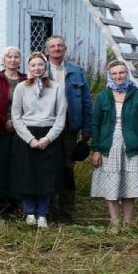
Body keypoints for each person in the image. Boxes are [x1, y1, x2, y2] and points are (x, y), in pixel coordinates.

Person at [91, 60, 138, 234]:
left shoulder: (137, 94)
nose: (118, 76)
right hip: (109, 145)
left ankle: (127, 224)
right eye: (114, 74)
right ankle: (114, 223)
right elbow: (95, 125)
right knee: (111, 184)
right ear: (110, 75)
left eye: (121, 72)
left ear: (127, 73)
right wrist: (96, 149)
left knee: (130, 185)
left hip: (132, 145)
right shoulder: (104, 95)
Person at [11, 53, 67, 228]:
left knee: (46, 177)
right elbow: (16, 116)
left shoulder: (57, 87)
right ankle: (29, 213)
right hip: (27, 135)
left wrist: (48, 138)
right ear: (28, 68)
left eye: (40, 65)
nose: (37, 68)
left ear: (45, 66)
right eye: (33, 65)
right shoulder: (21, 88)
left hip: (49, 134)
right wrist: (30, 140)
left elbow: (60, 116)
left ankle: (42, 214)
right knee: (27, 176)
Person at [45, 35, 93, 224]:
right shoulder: (40, 70)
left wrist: (87, 128)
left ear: (65, 49)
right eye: (52, 46)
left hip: (69, 129)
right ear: (47, 50)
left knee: (67, 169)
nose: (56, 49)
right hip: (46, 128)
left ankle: (66, 213)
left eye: (60, 46)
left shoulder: (77, 72)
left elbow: (87, 102)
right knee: (48, 168)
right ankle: (48, 210)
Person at [0, 47, 26, 213]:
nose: (13, 60)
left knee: (17, 166)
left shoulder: (25, 79)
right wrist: (5, 122)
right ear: (4, 60)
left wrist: (20, 123)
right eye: (9, 57)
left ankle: (14, 201)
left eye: (16, 57)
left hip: (21, 130)